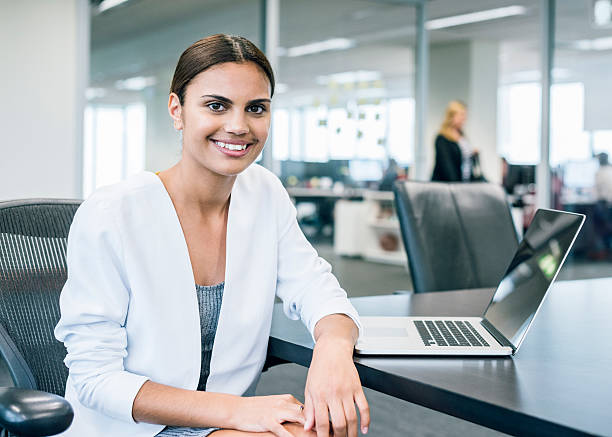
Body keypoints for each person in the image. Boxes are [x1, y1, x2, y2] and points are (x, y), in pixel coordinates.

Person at [54, 34, 369, 437]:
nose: (238, 126)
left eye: (256, 108)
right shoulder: (113, 212)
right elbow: (96, 379)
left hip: (220, 421)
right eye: (216, 105)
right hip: (130, 426)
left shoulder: (265, 193)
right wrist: (235, 411)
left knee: (324, 428)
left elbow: (318, 289)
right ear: (177, 110)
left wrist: (332, 349)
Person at [431, 100, 484, 182]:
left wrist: (472, 154)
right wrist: (457, 187)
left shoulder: (462, 136)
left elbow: (466, 162)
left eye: (465, 115)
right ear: (452, 116)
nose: (464, 118)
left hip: (463, 183)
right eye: (461, 115)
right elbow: (447, 167)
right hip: (447, 185)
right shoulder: (442, 139)